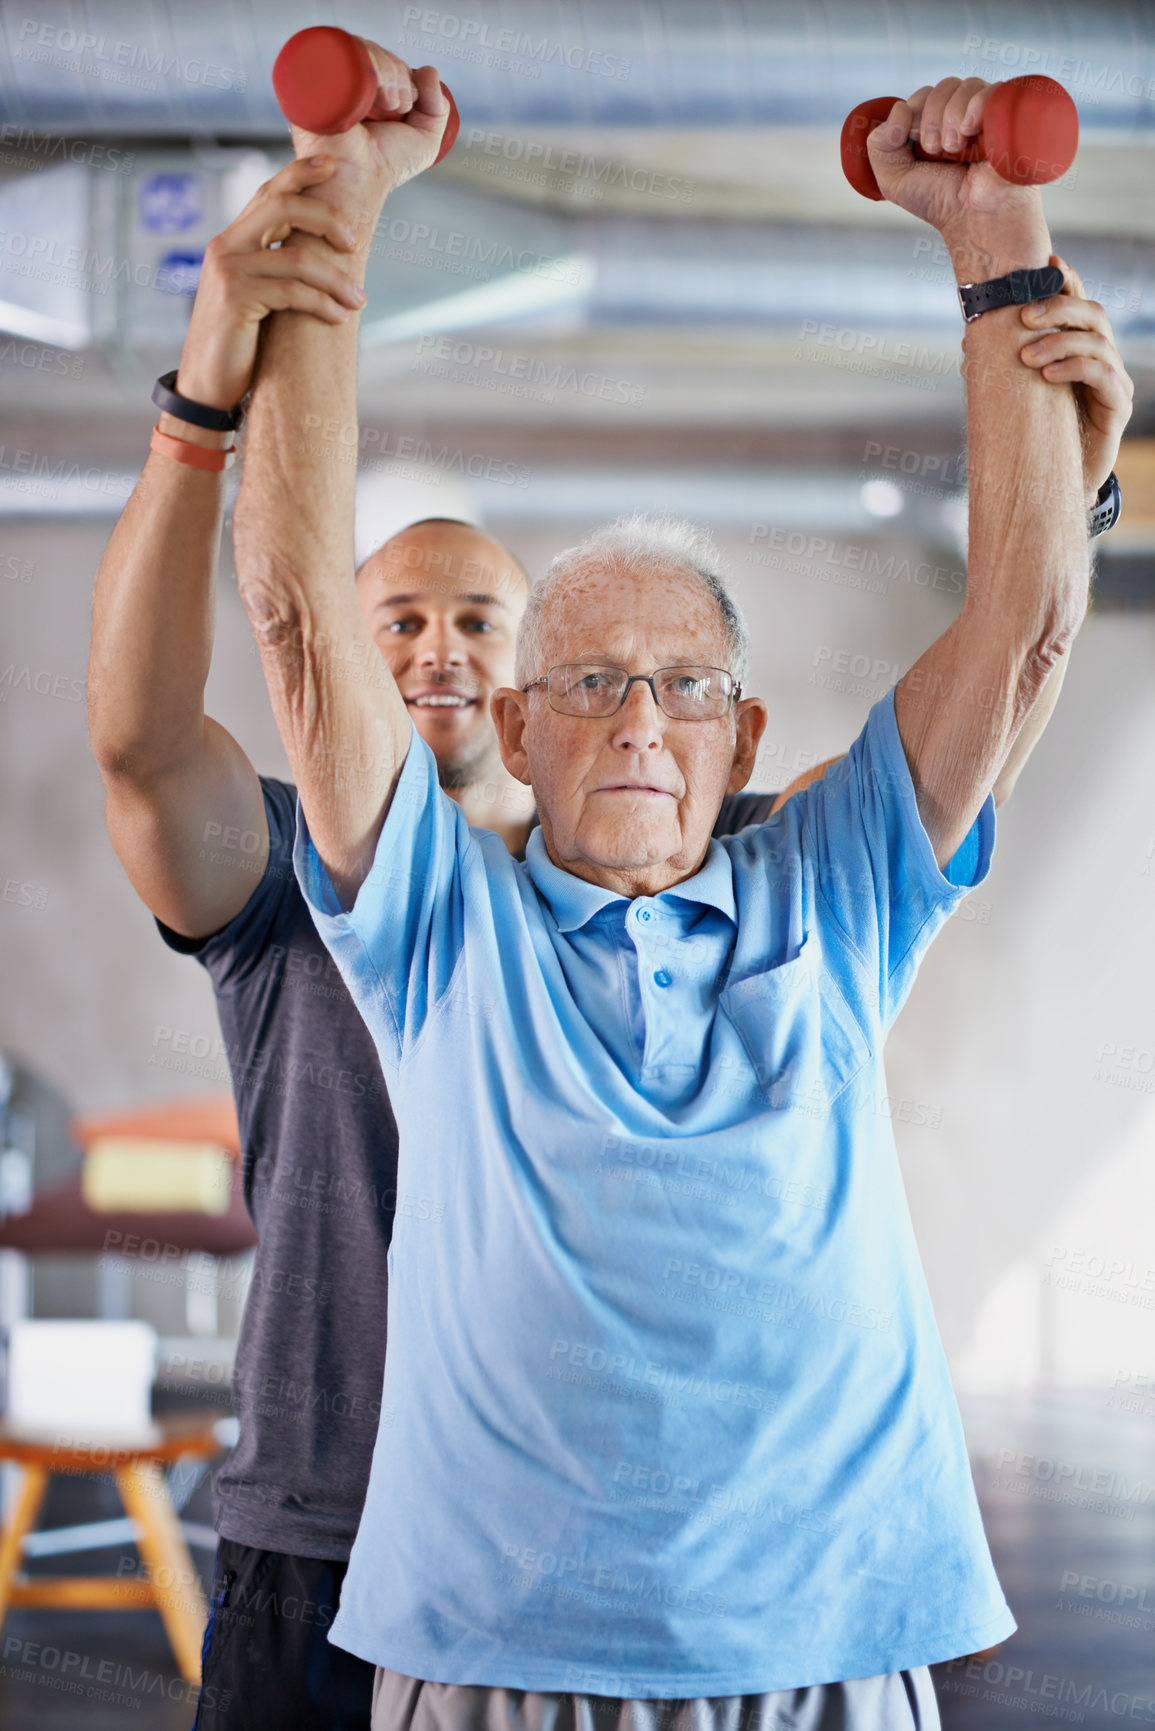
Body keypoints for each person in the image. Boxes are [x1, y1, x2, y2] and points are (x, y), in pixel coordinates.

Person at [224, 52, 1131, 1730]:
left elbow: (1028, 631)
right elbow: (294, 617)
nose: (641, 718)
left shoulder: (840, 893)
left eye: (685, 685)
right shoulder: (442, 927)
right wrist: (337, 216)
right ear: (509, 723)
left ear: (744, 732)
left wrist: (996, 243)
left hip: (832, 1651)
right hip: (499, 1656)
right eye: (588, 684)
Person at [87, 167, 817, 1731]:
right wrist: (197, 411)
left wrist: (1064, 495)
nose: (436, 647)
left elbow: (915, 798)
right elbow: (142, 747)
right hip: (329, 1523)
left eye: (481, 620)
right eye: (395, 620)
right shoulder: (287, 864)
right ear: (335, 658)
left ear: (528, 681)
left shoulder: (669, 842)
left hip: (589, 1546)